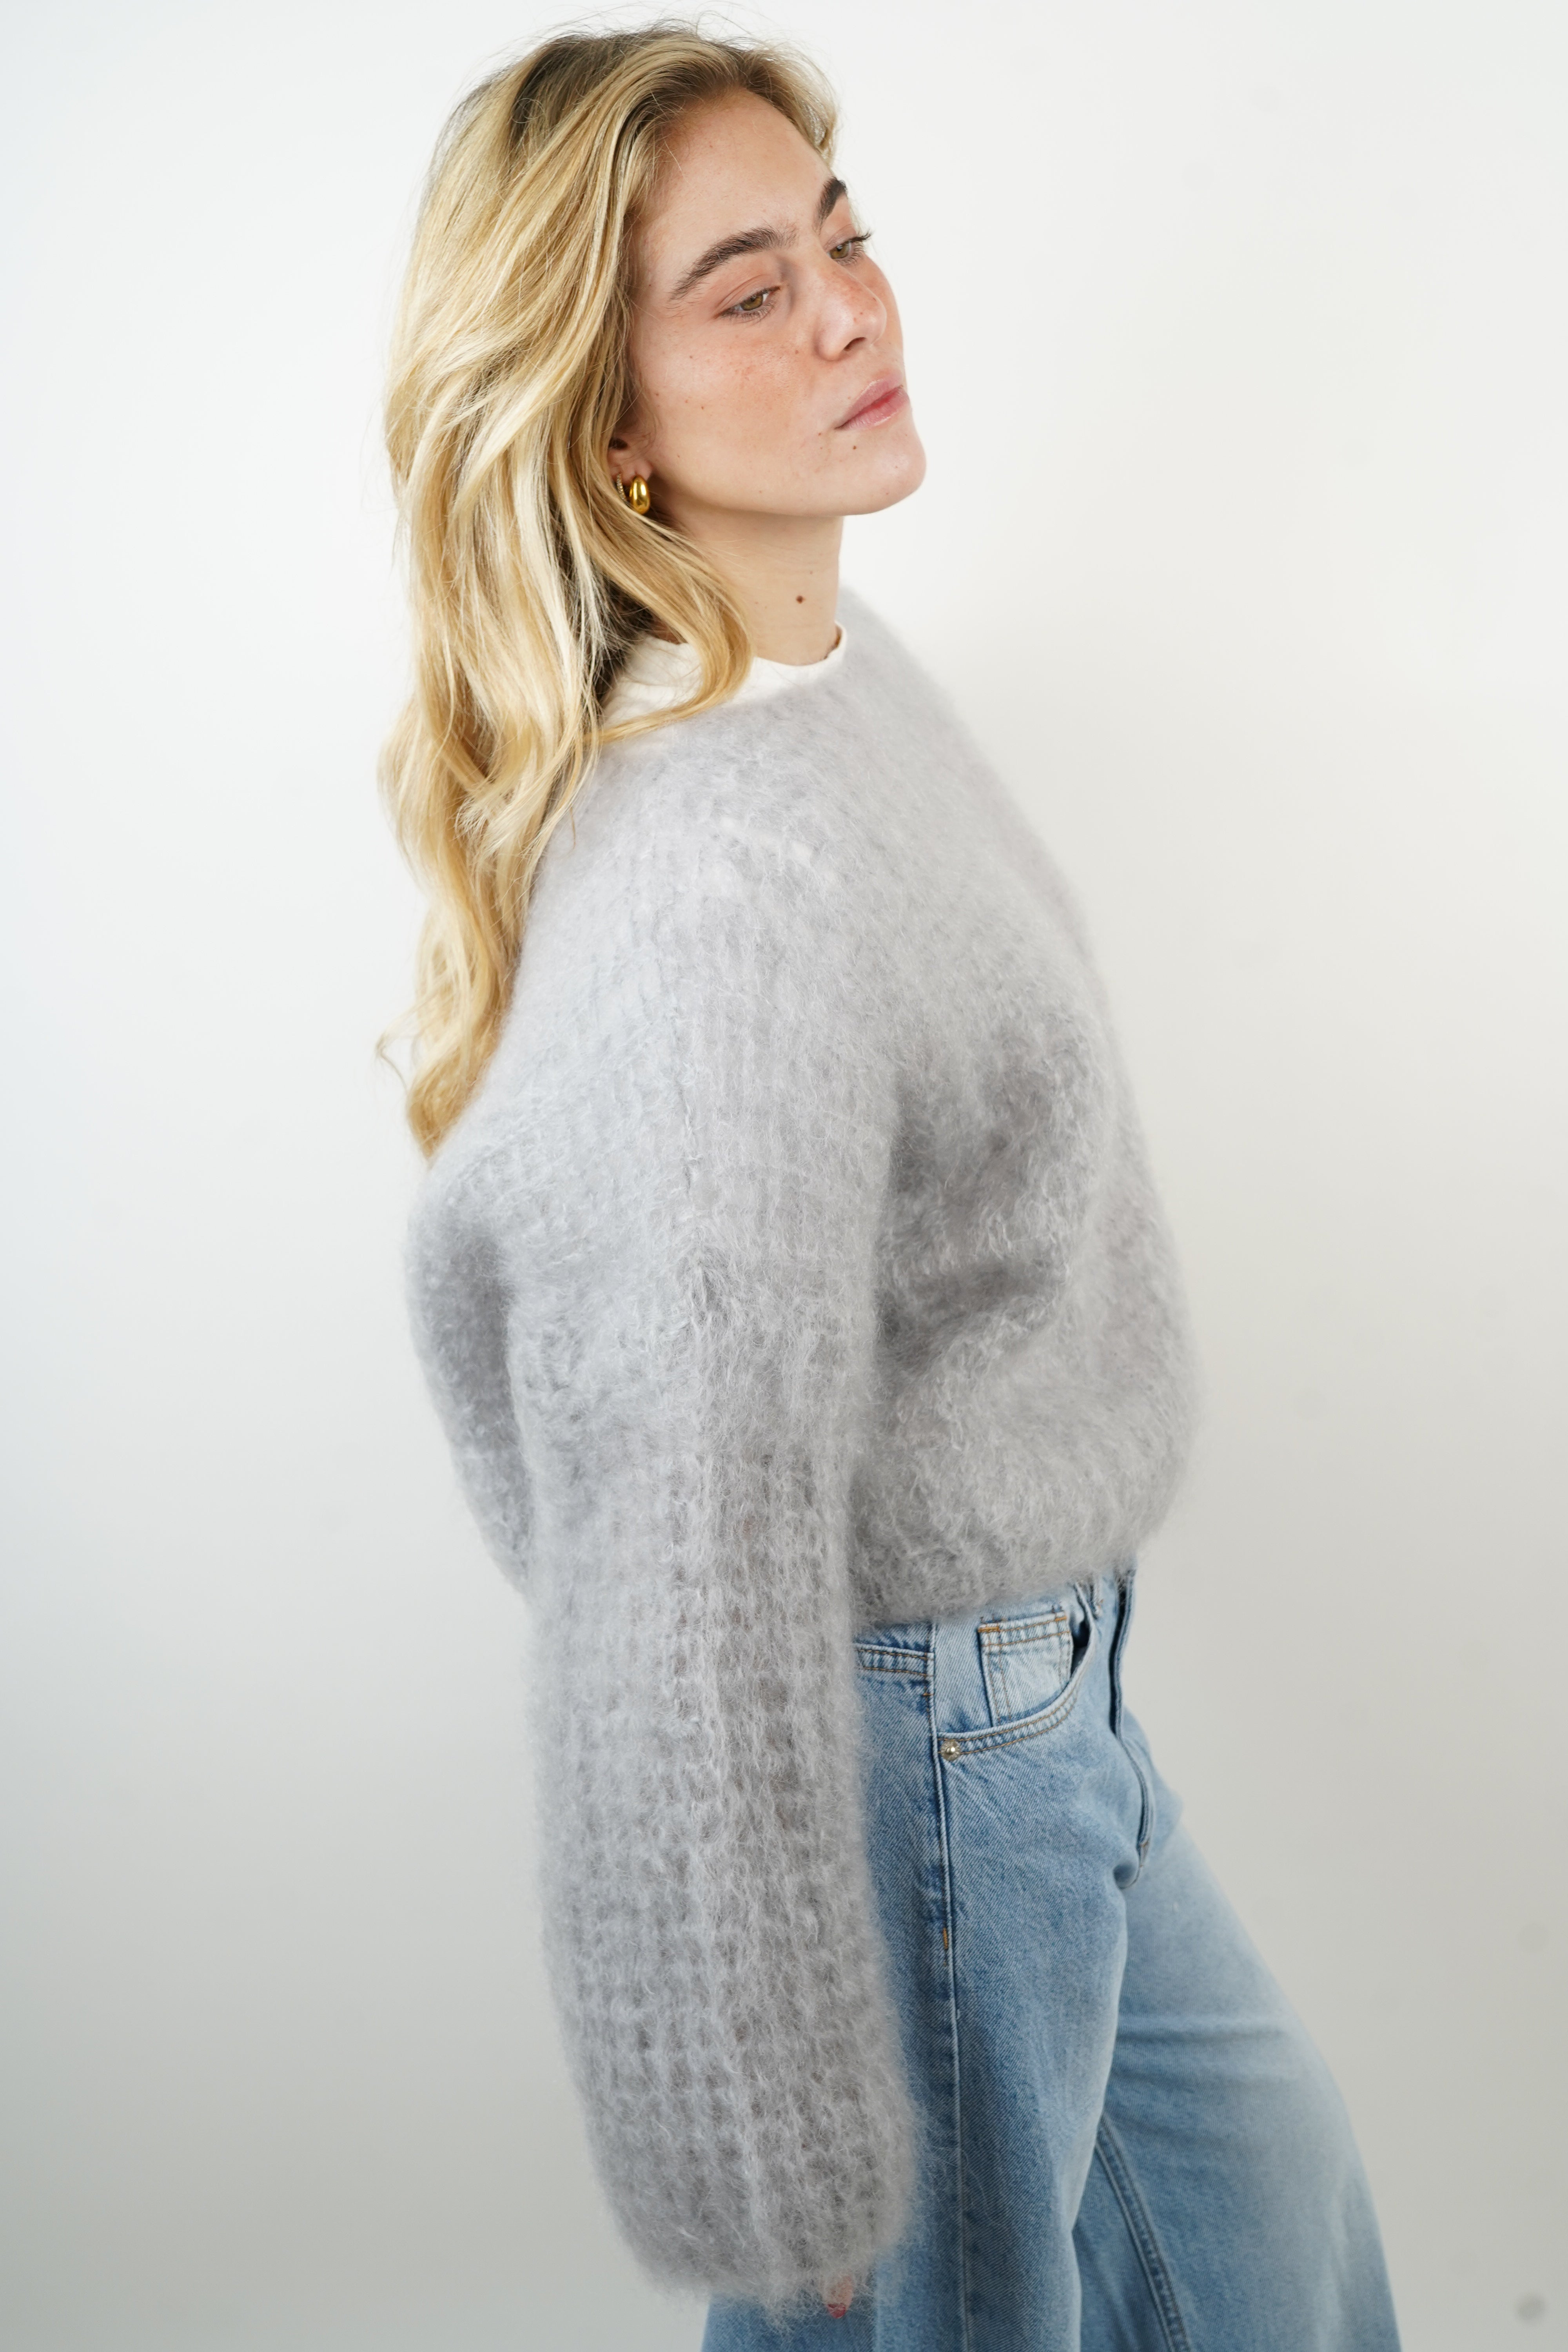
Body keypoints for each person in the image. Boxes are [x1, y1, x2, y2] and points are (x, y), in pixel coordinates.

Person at [383, 25, 1401, 2348]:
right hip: (914, 1757)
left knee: (1275, 2237)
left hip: (1048, 1710)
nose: (851, 308)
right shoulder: (719, 886)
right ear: (605, 417)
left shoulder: (822, 676)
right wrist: (765, 2119)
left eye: (842, 238)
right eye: (749, 291)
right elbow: (671, 1525)